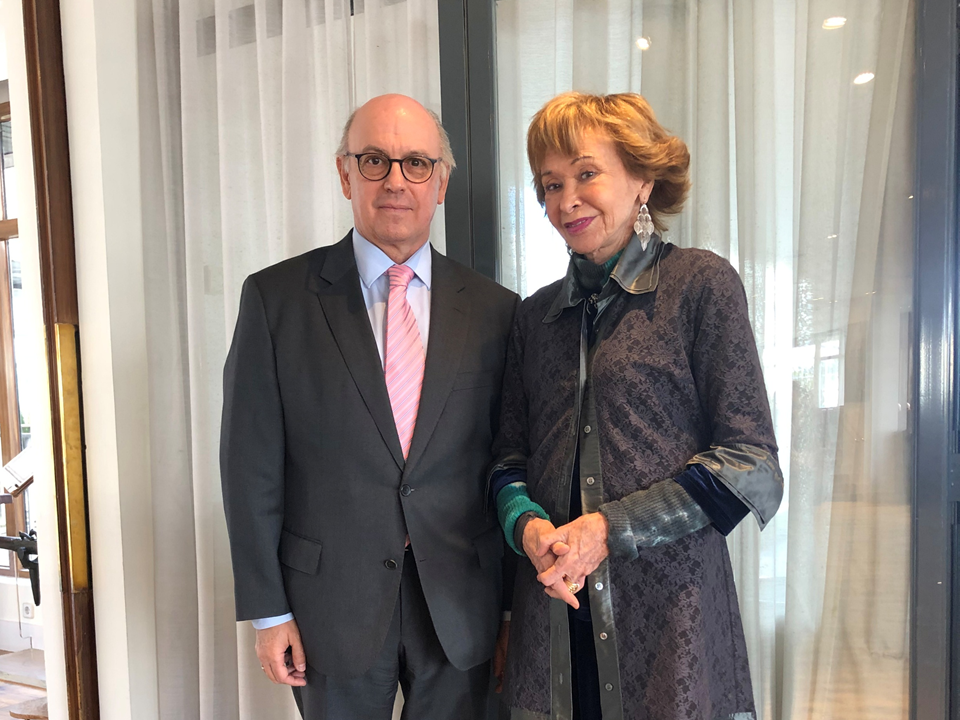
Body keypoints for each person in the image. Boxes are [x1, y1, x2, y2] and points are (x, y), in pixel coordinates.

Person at [220, 93, 519, 720]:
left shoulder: (496, 311)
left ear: (441, 182)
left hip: (462, 604)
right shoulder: (276, 300)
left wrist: (512, 611)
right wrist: (269, 613)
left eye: (416, 163)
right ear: (344, 173)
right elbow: (250, 468)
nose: (395, 181)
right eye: (375, 160)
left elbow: (508, 460)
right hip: (329, 605)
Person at [489, 91, 783, 720]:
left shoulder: (699, 285)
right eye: (550, 184)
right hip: (555, 612)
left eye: (586, 174)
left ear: (643, 180)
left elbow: (751, 465)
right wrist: (528, 527)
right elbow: (508, 460)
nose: (566, 200)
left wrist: (607, 529)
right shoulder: (534, 318)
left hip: (669, 614)